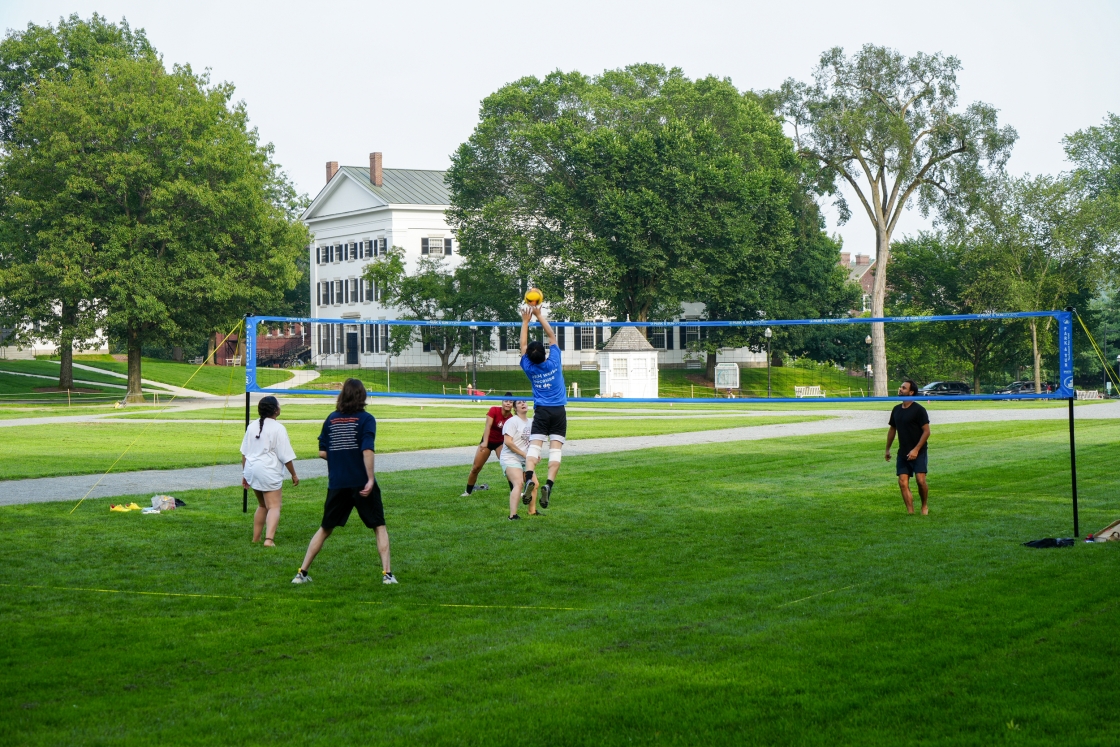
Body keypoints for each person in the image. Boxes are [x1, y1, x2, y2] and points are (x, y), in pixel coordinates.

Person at [292, 378, 396, 585]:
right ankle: (387, 575)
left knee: (325, 528)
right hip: (360, 482)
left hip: (337, 483)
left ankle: (301, 573)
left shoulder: (331, 419)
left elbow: (323, 452)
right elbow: (367, 450)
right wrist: (370, 479)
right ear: (362, 396)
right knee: (379, 526)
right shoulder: (366, 419)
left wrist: (341, 457)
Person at [519, 304, 566, 508]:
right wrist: (539, 315)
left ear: (529, 356)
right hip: (558, 412)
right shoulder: (554, 361)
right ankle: (548, 484)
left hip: (541, 412)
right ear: (545, 353)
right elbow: (552, 336)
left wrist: (525, 321)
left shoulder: (529, 368)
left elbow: (522, 346)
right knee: (555, 452)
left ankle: (529, 478)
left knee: (534, 449)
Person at [240, 395, 299, 547]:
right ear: (275, 410)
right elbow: (285, 455)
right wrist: (293, 474)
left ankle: (256, 539)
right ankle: (269, 540)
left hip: (251, 469)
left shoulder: (252, 426)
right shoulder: (278, 428)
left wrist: (245, 474)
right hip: (268, 470)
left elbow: (244, 453)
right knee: (274, 506)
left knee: (262, 505)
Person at [885, 379, 931, 515]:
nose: (900, 389)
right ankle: (910, 512)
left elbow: (927, 431)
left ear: (911, 392)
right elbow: (892, 430)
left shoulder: (919, 410)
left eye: (904, 388)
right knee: (903, 482)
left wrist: (916, 450)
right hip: (903, 452)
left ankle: (924, 506)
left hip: (919, 451)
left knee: (920, 481)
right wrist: (887, 449)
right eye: (901, 387)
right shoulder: (896, 409)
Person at [460, 392, 515, 497]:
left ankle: (515, 491)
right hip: (488, 441)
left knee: (508, 467)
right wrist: (484, 443)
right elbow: (487, 427)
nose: (508, 403)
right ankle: (468, 491)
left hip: (500, 443)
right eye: (506, 401)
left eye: (510, 402)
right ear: (502, 402)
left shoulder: (511, 418)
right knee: (476, 467)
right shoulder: (493, 410)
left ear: (513, 404)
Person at [500, 399, 540, 519]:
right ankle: (513, 515)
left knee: (534, 484)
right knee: (519, 483)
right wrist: (523, 454)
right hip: (510, 457)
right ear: (515, 408)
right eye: (519, 403)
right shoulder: (512, 422)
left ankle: (532, 511)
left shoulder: (532, 422)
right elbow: (508, 442)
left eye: (524, 402)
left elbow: (533, 441)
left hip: (525, 458)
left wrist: (535, 453)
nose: (523, 404)